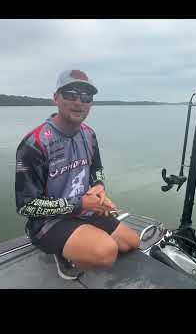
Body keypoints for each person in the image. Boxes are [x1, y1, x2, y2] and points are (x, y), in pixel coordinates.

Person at [15, 69, 140, 280]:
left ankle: (79, 241)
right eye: (70, 94)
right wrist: (80, 203)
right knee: (106, 252)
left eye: (86, 97)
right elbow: (26, 205)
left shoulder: (89, 135)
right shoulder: (34, 143)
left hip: (84, 211)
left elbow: (96, 170)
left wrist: (99, 188)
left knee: (131, 242)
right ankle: (64, 255)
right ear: (56, 98)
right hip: (47, 222)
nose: (78, 102)